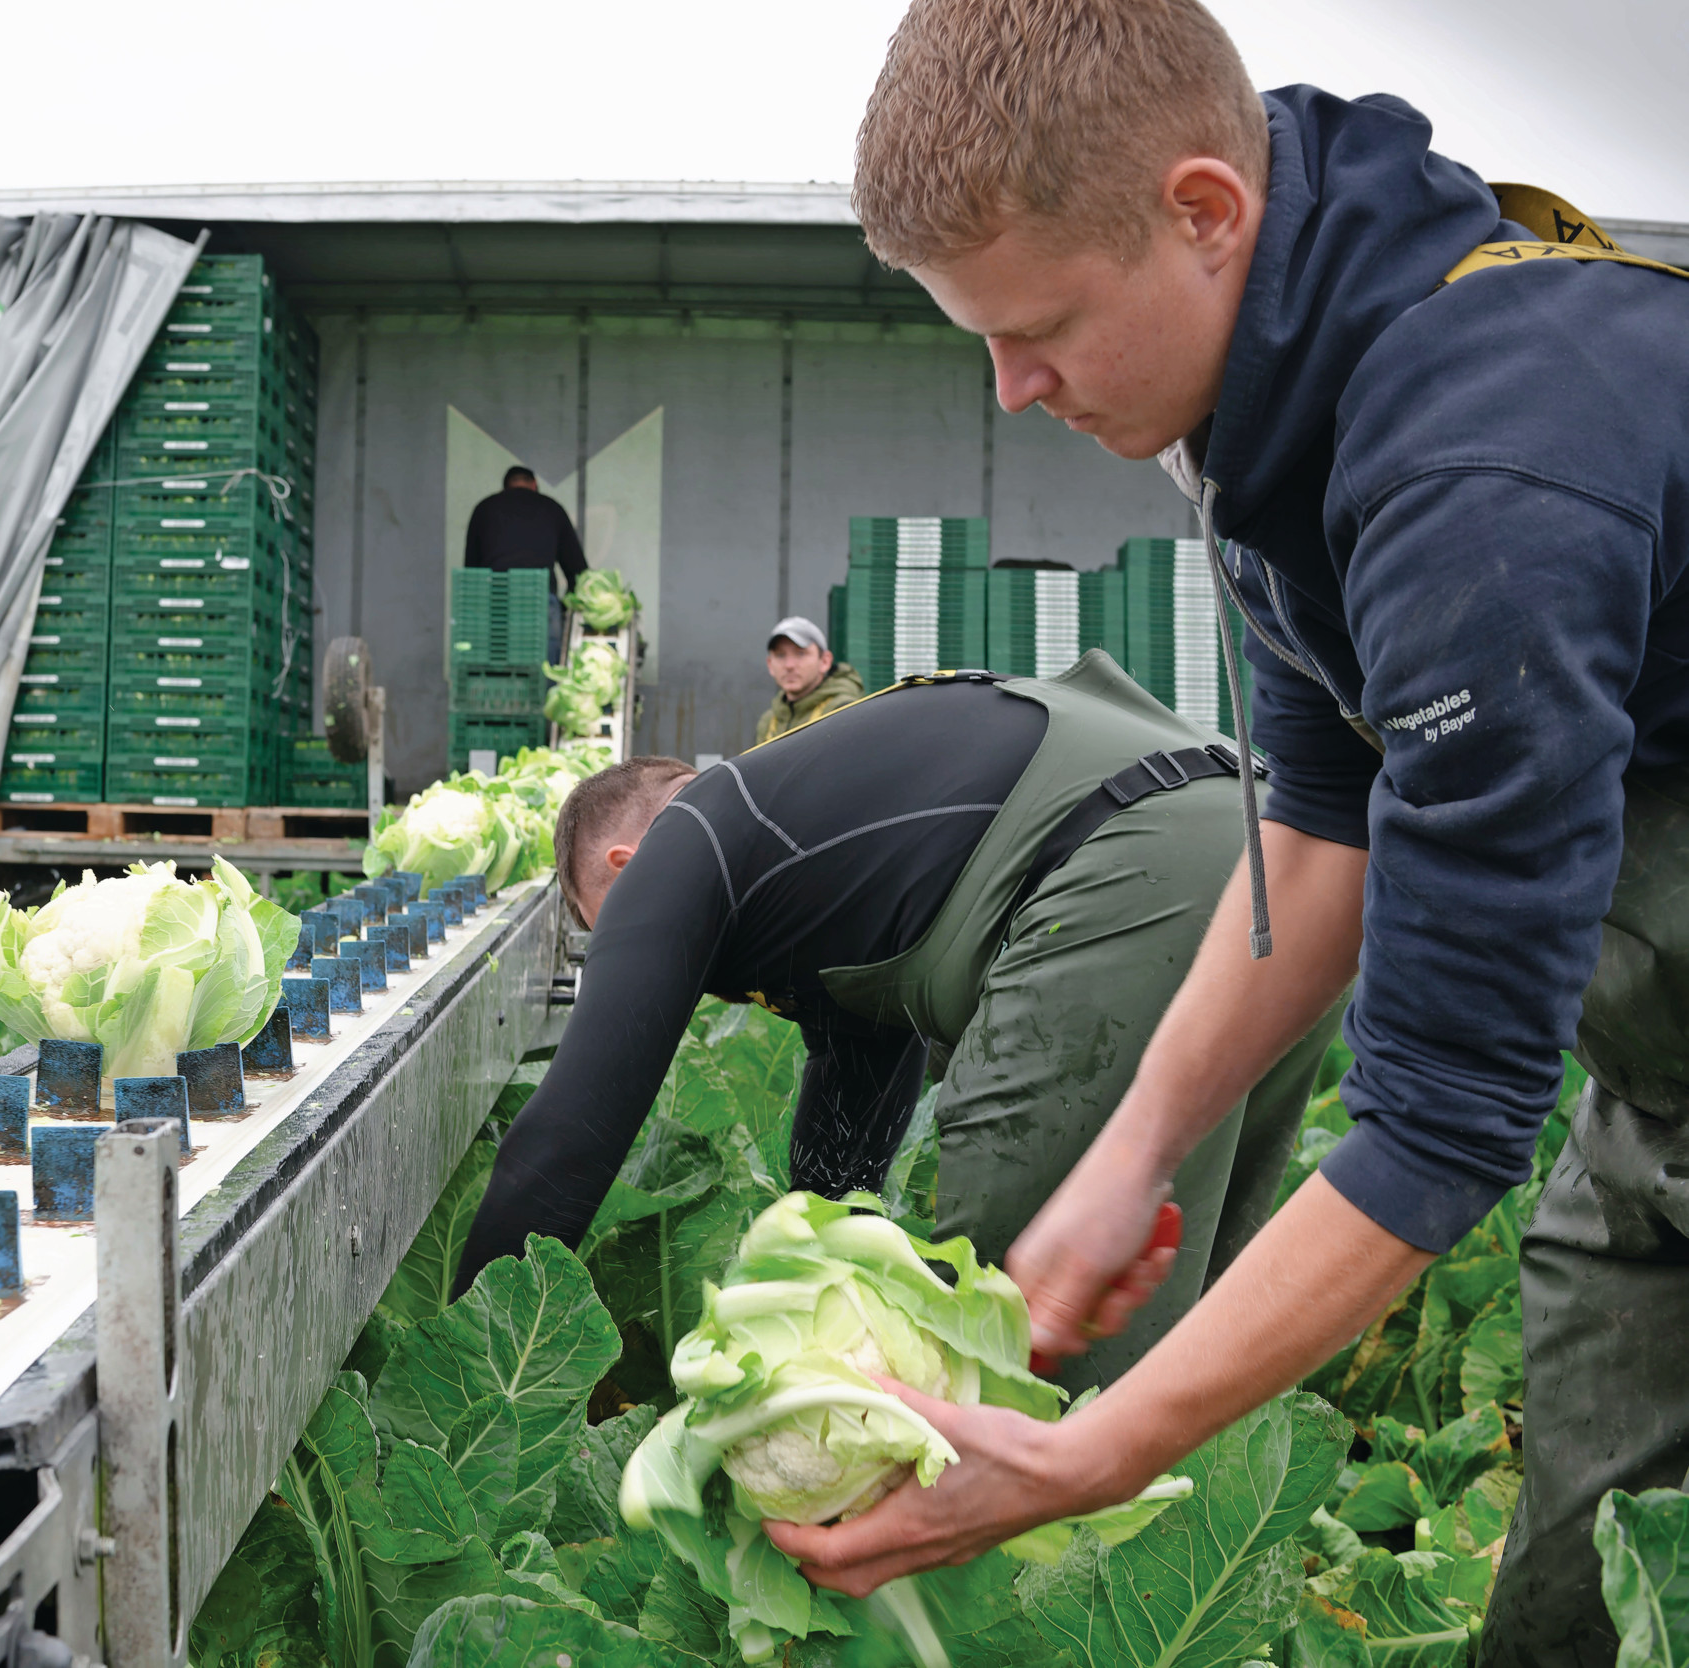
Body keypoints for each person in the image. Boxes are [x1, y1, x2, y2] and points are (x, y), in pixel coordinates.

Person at [766, 5, 1689, 1662]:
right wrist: (1127, 1157)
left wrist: (1101, 1449)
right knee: (1591, 1601)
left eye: (1042, 325)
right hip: (1663, 1091)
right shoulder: (1288, 426)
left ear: (1205, 211)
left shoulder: (1488, 467)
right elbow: (1327, 831)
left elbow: (1442, 1111)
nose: (1013, 385)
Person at [453, 657, 1342, 1394]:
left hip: (1137, 873)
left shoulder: (690, 834)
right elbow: (853, 1114)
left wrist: (466, 1370)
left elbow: (566, 1140)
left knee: (1018, 1347)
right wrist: (815, 1273)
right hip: (1291, 851)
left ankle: (1026, 1595)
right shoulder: (827, 845)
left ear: (624, 864)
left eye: (606, 920)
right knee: (1182, 1324)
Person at [464, 465, 588, 647]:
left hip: (496, 605)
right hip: (540, 604)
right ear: (534, 485)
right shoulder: (552, 508)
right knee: (544, 669)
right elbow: (577, 570)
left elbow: (471, 570)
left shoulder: (484, 508)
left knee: (498, 665)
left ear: (505, 488)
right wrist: (566, 608)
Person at [755, 616, 867, 746]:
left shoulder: (843, 711)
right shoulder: (768, 721)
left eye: (800, 654)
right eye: (780, 655)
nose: (789, 665)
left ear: (825, 661)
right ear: (770, 665)